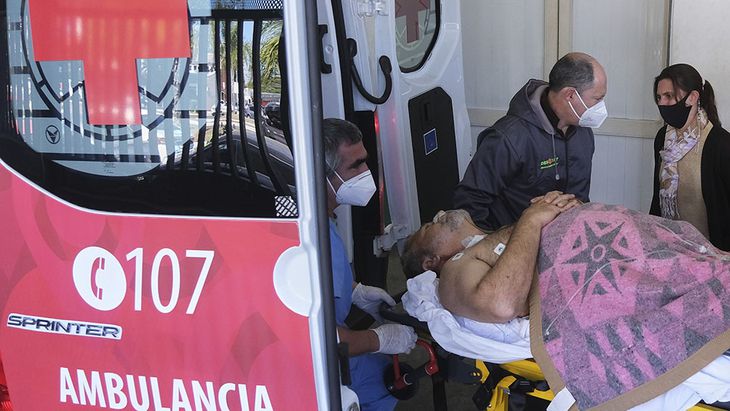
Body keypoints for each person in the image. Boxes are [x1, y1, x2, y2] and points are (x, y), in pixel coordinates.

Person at [400, 195, 730, 410]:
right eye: (429, 226)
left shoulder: (493, 238)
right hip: (603, 269)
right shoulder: (455, 268)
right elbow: (501, 304)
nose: (439, 214)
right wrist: (532, 219)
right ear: (431, 262)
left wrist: (560, 209)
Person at [322, 118, 417, 411]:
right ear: (323, 175)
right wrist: (378, 339)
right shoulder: (306, 236)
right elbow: (319, 339)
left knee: (386, 374)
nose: (366, 173)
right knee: (384, 383)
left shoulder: (324, 220)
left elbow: (325, 277)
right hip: (323, 359)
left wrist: (355, 291)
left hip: (337, 343)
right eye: (356, 166)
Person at [453, 52, 607, 231]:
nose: (601, 107)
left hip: (565, 237)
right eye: (598, 99)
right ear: (570, 95)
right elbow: (469, 202)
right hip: (516, 239)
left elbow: (579, 196)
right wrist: (496, 242)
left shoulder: (582, 130)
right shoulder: (508, 138)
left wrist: (579, 207)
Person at [650, 63, 730, 251]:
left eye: (669, 96)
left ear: (693, 97)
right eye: (659, 98)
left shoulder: (720, 144)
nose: (662, 104)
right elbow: (657, 195)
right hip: (671, 248)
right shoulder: (663, 137)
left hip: (713, 253)